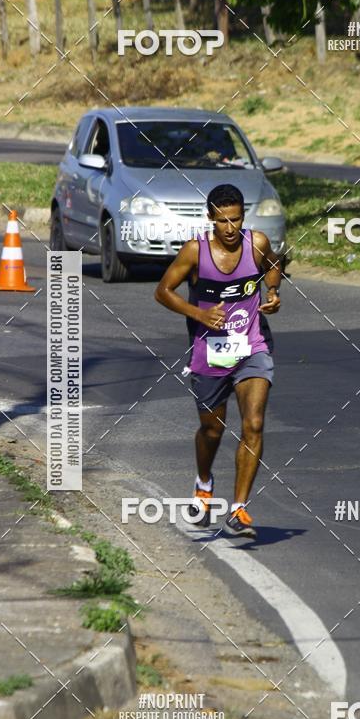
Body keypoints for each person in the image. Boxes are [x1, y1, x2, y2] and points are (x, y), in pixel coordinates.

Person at [155, 184, 282, 539]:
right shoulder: (195, 251)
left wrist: (272, 293)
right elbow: (162, 291)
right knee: (212, 429)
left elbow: (273, 265)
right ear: (210, 217)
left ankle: (239, 508)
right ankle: (204, 483)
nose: (230, 228)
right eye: (223, 220)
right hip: (208, 352)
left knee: (253, 423)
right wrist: (199, 312)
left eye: (237, 219)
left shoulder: (255, 243)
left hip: (252, 346)